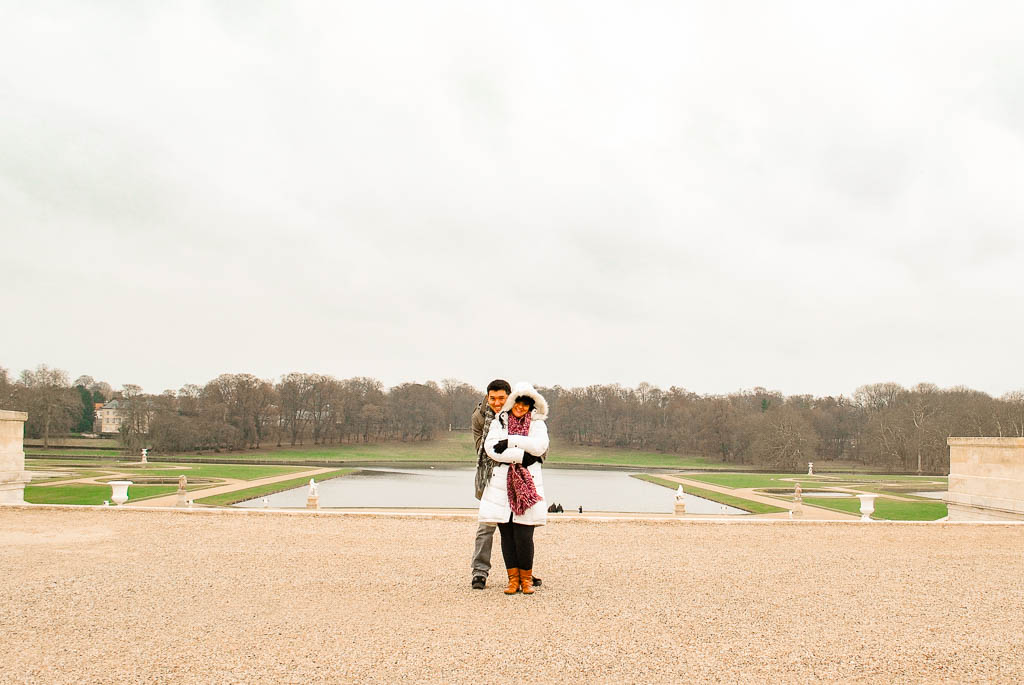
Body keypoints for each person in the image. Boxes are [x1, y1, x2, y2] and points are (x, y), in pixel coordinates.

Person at [480, 382, 549, 595]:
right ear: (513, 402)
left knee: (524, 535)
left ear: (532, 406)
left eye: (526, 404)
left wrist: (510, 440)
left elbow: (539, 447)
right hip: (502, 484)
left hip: (527, 484)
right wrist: (522, 456)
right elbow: (492, 449)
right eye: (518, 402)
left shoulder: (537, 424)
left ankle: (526, 579)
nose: (521, 407)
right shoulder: (499, 422)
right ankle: (513, 580)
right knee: (507, 534)